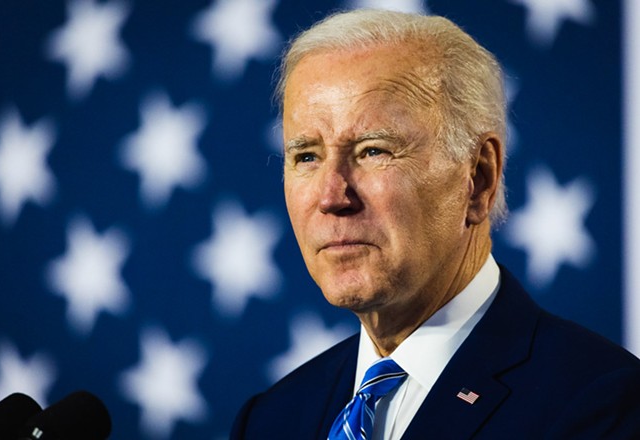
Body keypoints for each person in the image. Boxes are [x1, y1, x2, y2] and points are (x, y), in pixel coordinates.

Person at [230, 9, 640, 439]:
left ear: (478, 178)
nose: (332, 197)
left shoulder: (602, 407)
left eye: (374, 151)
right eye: (307, 156)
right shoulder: (271, 419)